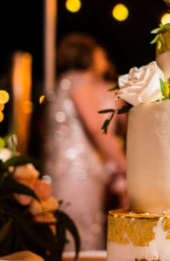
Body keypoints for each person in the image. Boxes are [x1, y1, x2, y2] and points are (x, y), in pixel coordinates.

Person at [44, 33, 127, 250]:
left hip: (66, 169)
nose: (103, 58)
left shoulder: (65, 81)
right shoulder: (80, 81)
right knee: (80, 231)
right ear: (88, 55)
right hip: (78, 172)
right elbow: (96, 127)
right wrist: (124, 163)